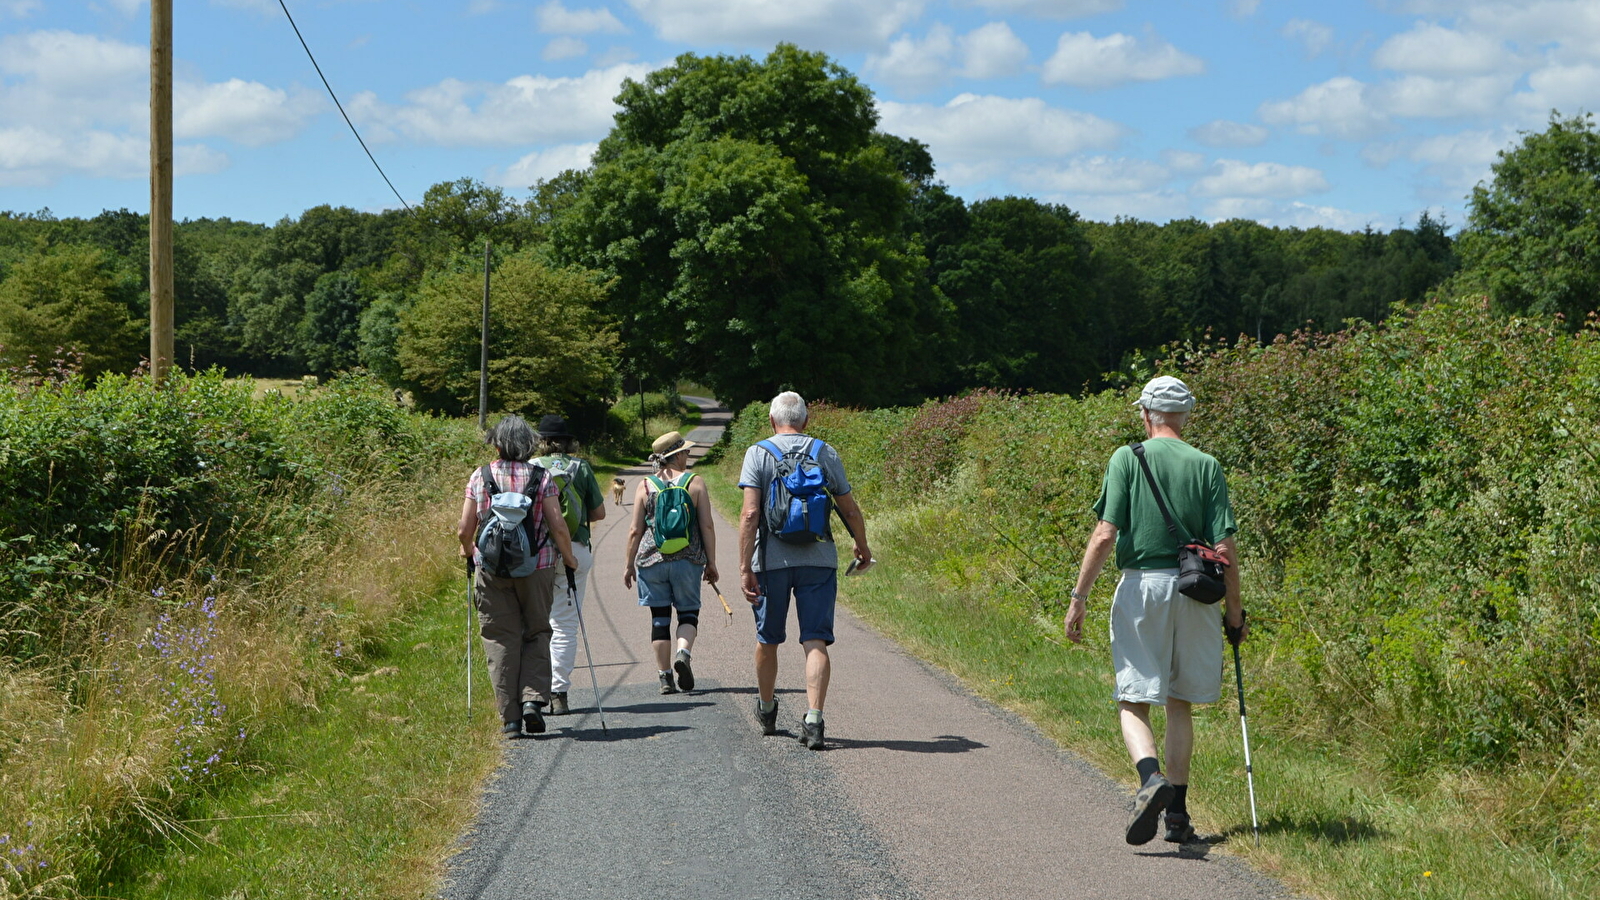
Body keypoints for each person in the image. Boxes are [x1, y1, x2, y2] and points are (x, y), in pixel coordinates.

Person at [1063, 375, 1247, 845]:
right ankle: (1179, 817)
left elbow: (1105, 534)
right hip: (1196, 590)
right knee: (1180, 699)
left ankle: (1150, 779)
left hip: (1143, 587)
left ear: (1145, 413)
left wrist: (1079, 598)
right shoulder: (1207, 464)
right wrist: (1234, 611)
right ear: (1185, 416)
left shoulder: (1128, 457)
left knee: (1134, 695)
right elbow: (1225, 546)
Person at [738, 391, 870, 750]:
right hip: (819, 560)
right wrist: (862, 543)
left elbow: (750, 514)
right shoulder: (824, 451)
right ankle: (813, 720)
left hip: (770, 562)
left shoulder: (758, 453)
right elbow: (849, 508)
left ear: (771, 420)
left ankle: (767, 709)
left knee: (768, 638)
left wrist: (744, 567)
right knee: (815, 639)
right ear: (806, 421)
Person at [457, 415, 579, 738]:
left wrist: (468, 550)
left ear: (496, 444)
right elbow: (558, 525)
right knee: (537, 631)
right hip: (537, 567)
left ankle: (510, 719)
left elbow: (463, 529)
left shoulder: (480, 477)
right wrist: (569, 559)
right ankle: (532, 703)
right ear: (529, 444)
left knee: (500, 638)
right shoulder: (542, 477)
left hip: (492, 570)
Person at [623, 431, 718, 695]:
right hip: (688, 560)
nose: (688, 456)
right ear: (676, 455)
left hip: (652, 560)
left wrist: (629, 564)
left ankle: (665, 677)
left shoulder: (644, 486)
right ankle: (683, 653)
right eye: (686, 452)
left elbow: (634, 531)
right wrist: (711, 563)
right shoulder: (695, 483)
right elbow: (707, 526)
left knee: (659, 619)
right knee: (688, 613)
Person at [533, 414, 607, 716]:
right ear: (567, 441)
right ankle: (559, 693)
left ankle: (533, 693)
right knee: (565, 625)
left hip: (537, 554)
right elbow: (599, 513)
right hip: (575, 552)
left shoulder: (533, 468)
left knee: (536, 623)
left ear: (542, 440)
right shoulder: (581, 467)